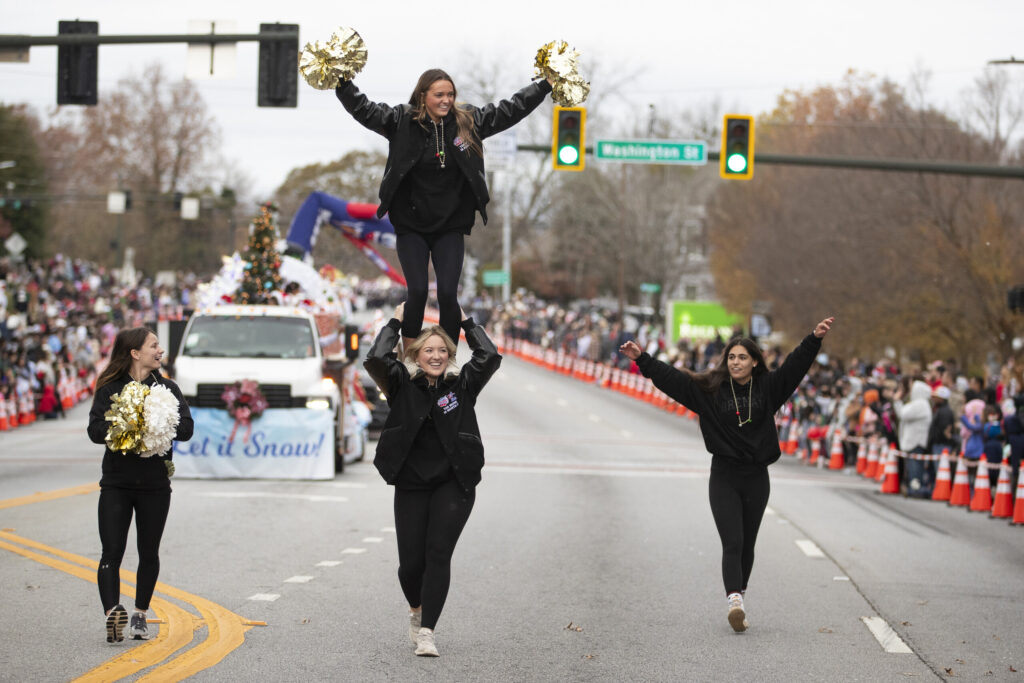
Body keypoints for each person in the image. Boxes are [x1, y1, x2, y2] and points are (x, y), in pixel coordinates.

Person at [619, 316, 834, 633]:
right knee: (732, 541)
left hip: (757, 477)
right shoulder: (710, 390)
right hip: (724, 475)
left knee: (748, 544)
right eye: (731, 357)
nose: (736, 362)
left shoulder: (770, 388)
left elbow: (794, 368)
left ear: (755, 361)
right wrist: (643, 360)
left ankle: (740, 598)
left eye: (742, 357)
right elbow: (673, 380)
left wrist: (813, 339)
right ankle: (734, 600)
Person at [336, 69, 553, 348]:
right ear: (423, 96)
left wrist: (544, 85)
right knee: (416, 291)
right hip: (411, 223)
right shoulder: (400, 120)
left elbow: (510, 110)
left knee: (448, 294)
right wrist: (342, 82)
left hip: (450, 224)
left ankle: (446, 356)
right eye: (439, 95)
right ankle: (412, 353)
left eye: (450, 95)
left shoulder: (468, 122)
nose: (446, 100)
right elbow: (363, 109)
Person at [363, 302, 500, 657]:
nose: (436, 356)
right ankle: (416, 609)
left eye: (442, 350)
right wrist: (395, 320)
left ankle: (427, 632)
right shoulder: (399, 384)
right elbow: (377, 358)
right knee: (411, 565)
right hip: (411, 482)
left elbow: (488, 355)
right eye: (428, 350)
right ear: (416, 355)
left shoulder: (463, 385)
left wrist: (466, 320)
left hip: (454, 483)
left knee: (438, 554)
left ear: (450, 356)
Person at [86, 328, 193, 643]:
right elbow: (94, 429)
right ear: (135, 352)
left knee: (149, 551)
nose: (160, 350)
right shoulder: (110, 388)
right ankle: (112, 614)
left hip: (154, 484)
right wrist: (127, 425)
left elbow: (186, 429)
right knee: (112, 551)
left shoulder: (167, 388)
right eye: (154, 345)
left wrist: (159, 424)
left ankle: (140, 615)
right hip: (117, 482)